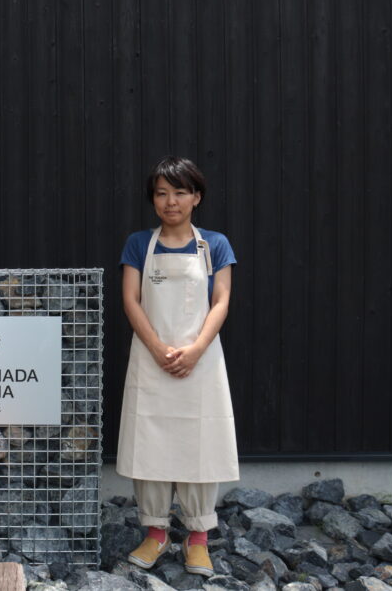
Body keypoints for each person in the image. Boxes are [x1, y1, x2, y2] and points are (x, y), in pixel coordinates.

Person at [116, 156, 238, 577]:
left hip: (200, 362)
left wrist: (195, 349)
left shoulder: (214, 245)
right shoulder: (138, 244)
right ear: (153, 200)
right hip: (151, 360)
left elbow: (220, 300)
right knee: (149, 442)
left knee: (200, 444)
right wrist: (156, 348)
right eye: (162, 193)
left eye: (180, 192)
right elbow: (131, 300)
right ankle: (154, 531)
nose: (171, 202)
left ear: (196, 197)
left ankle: (199, 538)